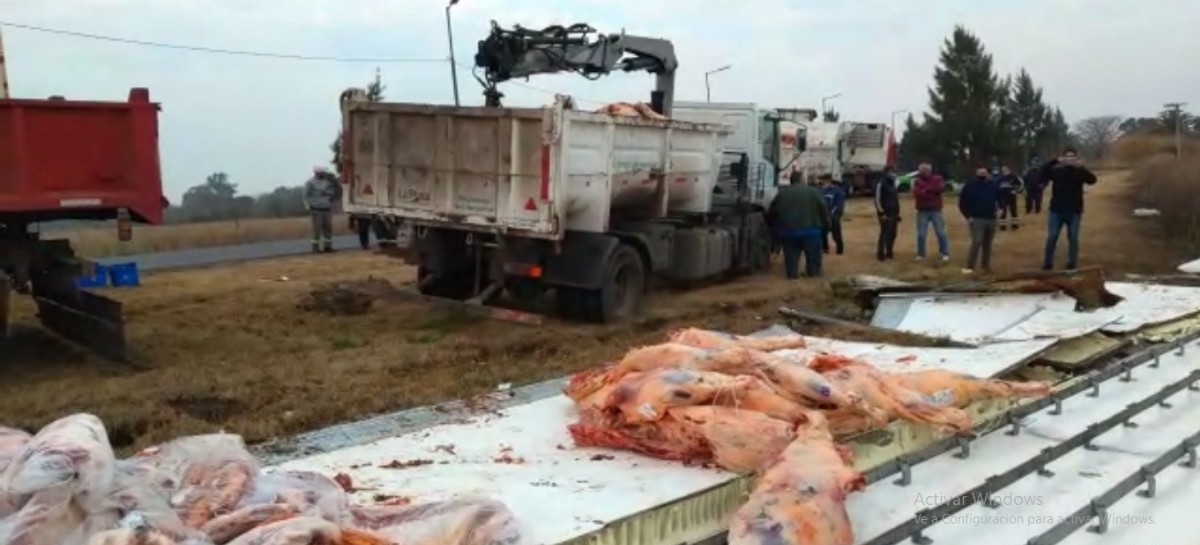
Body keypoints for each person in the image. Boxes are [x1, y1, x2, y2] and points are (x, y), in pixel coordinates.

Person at [1041, 148, 1098, 270]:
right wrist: (1054, 161)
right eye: (1067, 156)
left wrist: (1082, 167)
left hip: (1074, 211)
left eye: (1072, 157)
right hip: (1056, 210)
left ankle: (1072, 264)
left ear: (1076, 158)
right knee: (1052, 237)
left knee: (1073, 238)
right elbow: (1042, 171)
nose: (1070, 159)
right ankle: (1047, 263)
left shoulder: (1080, 172)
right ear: (1063, 158)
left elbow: (1092, 180)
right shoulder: (1057, 171)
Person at [768, 175, 831, 279]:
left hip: (789, 233)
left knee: (791, 264)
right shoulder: (814, 192)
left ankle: (792, 278)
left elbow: (772, 213)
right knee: (814, 265)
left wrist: (776, 230)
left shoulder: (782, 194)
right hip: (812, 232)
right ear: (802, 180)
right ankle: (812, 278)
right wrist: (826, 226)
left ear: (790, 181)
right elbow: (823, 210)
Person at [958, 167, 1001, 274]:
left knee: (988, 244)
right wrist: (968, 216)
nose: (982, 175)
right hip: (976, 219)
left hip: (991, 218)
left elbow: (1001, 199)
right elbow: (962, 203)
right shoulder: (970, 185)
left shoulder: (993, 185)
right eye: (980, 173)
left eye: (984, 173)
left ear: (988, 174)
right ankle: (970, 266)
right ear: (976, 174)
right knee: (977, 241)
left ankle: (985, 266)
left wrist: (1000, 209)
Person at [911, 162, 950, 262]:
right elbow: (917, 193)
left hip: (935, 210)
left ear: (930, 170)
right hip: (922, 211)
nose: (924, 172)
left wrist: (925, 191)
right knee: (921, 234)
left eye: (925, 170)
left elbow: (940, 188)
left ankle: (944, 252)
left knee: (941, 232)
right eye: (922, 171)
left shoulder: (938, 179)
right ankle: (921, 254)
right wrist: (930, 192)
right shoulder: (917, 181)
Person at [304, 166, 343, 254]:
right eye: (321, 173)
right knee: (317, 229)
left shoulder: (327, 183)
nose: (322, 174)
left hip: (327, 208)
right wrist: (307, 205)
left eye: (323, 173)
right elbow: (305, 195)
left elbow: (333, 192)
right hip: (316, 209)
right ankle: (315, 248)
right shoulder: (310, 183)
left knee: (328, 229)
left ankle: (328, 247)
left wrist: (329, 194)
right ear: (316, 173)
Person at [874, 166, 901, 261]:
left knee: (893, 233)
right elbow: (877, 200)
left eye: (894, 172)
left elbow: (896, 200)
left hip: (893, 213)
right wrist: (881, 213)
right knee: (885, 233)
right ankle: (880, 253)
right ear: (886, 173)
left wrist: (898, 213)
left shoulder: (893, 184)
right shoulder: (880, 184)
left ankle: (889, 252)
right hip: (885, 213)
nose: (893, 174)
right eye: (891, 172)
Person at [819, 173, 846, 255]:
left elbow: (839, 205)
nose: (823, 183)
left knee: (836, 233)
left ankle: (840, 248)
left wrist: (832, 214)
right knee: (823, 232)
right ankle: (825, 248)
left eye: (824, 181)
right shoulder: (821, 191)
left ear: (829, 181)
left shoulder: (838, 191)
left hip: (834, 215)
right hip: (824, 215)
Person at [996, 165, 1024, 231]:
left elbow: (1021, 186)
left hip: (1012, 197)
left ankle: (1015, 225)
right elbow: (995, 188)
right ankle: (1002, 226)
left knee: (1013, 211)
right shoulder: (999, 179)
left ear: (1009, 170)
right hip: (1002, 197)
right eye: (1003, 170)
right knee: (1003, 212)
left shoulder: (1014, 177)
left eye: (1006, 170)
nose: (1004, 172)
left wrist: (1016, 191)